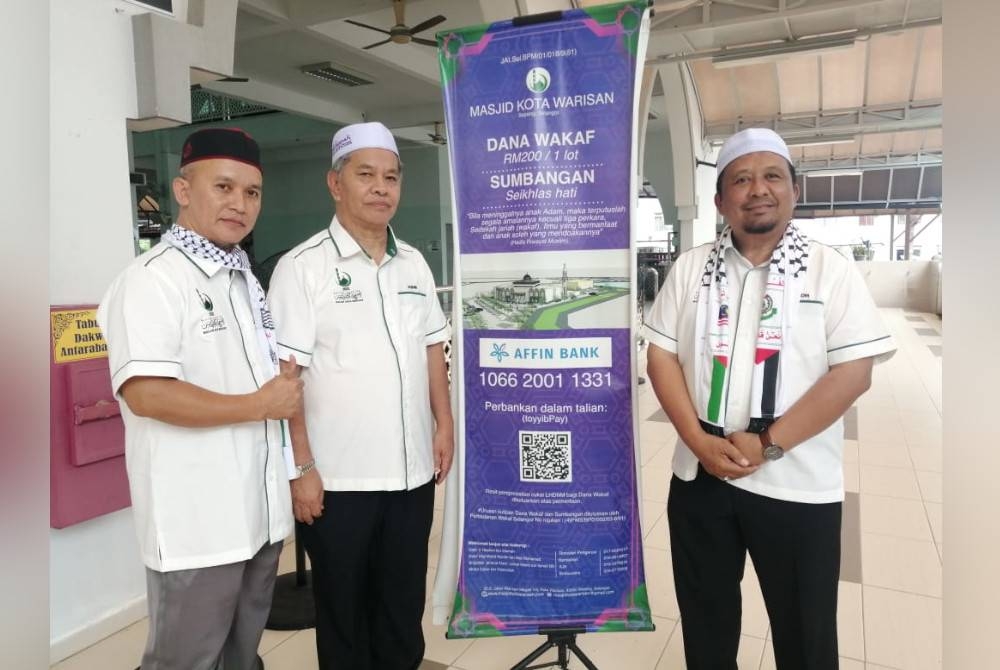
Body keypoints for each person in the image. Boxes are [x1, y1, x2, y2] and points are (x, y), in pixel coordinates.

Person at [643, 128, 896, 669]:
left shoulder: (831, 270)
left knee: (805, 634)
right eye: (741, 179)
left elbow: (853, 373)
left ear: (793, 191)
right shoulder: (690, 269)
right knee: (706, 624)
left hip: (797, 484)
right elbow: (660, 358)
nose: (757, 189)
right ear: (720, 201)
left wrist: (768, 445)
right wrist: (698, 443)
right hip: (699, 478)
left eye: (771, 176)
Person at [97, 127, 300, 670]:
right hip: (199, 525)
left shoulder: (241, 280)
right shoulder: (152, 281)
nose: (239, 203)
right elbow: (147, 393)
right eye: (224, 187)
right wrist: (261, 404)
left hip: (259, 516)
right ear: (183, 191)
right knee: (185, 662)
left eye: (252, 192)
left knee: (241, 656)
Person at [267, 121, 454, 670]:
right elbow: (287, 378)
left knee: (401, 610)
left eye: (390, 177)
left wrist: (443, 425)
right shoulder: (302, 269)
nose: (380, 188)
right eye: (365, 174)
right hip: (339, 483)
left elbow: (432, 351)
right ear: (335, 183)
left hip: (411, 474)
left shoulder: (413, 263)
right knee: (344, 617)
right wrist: (301, 466)